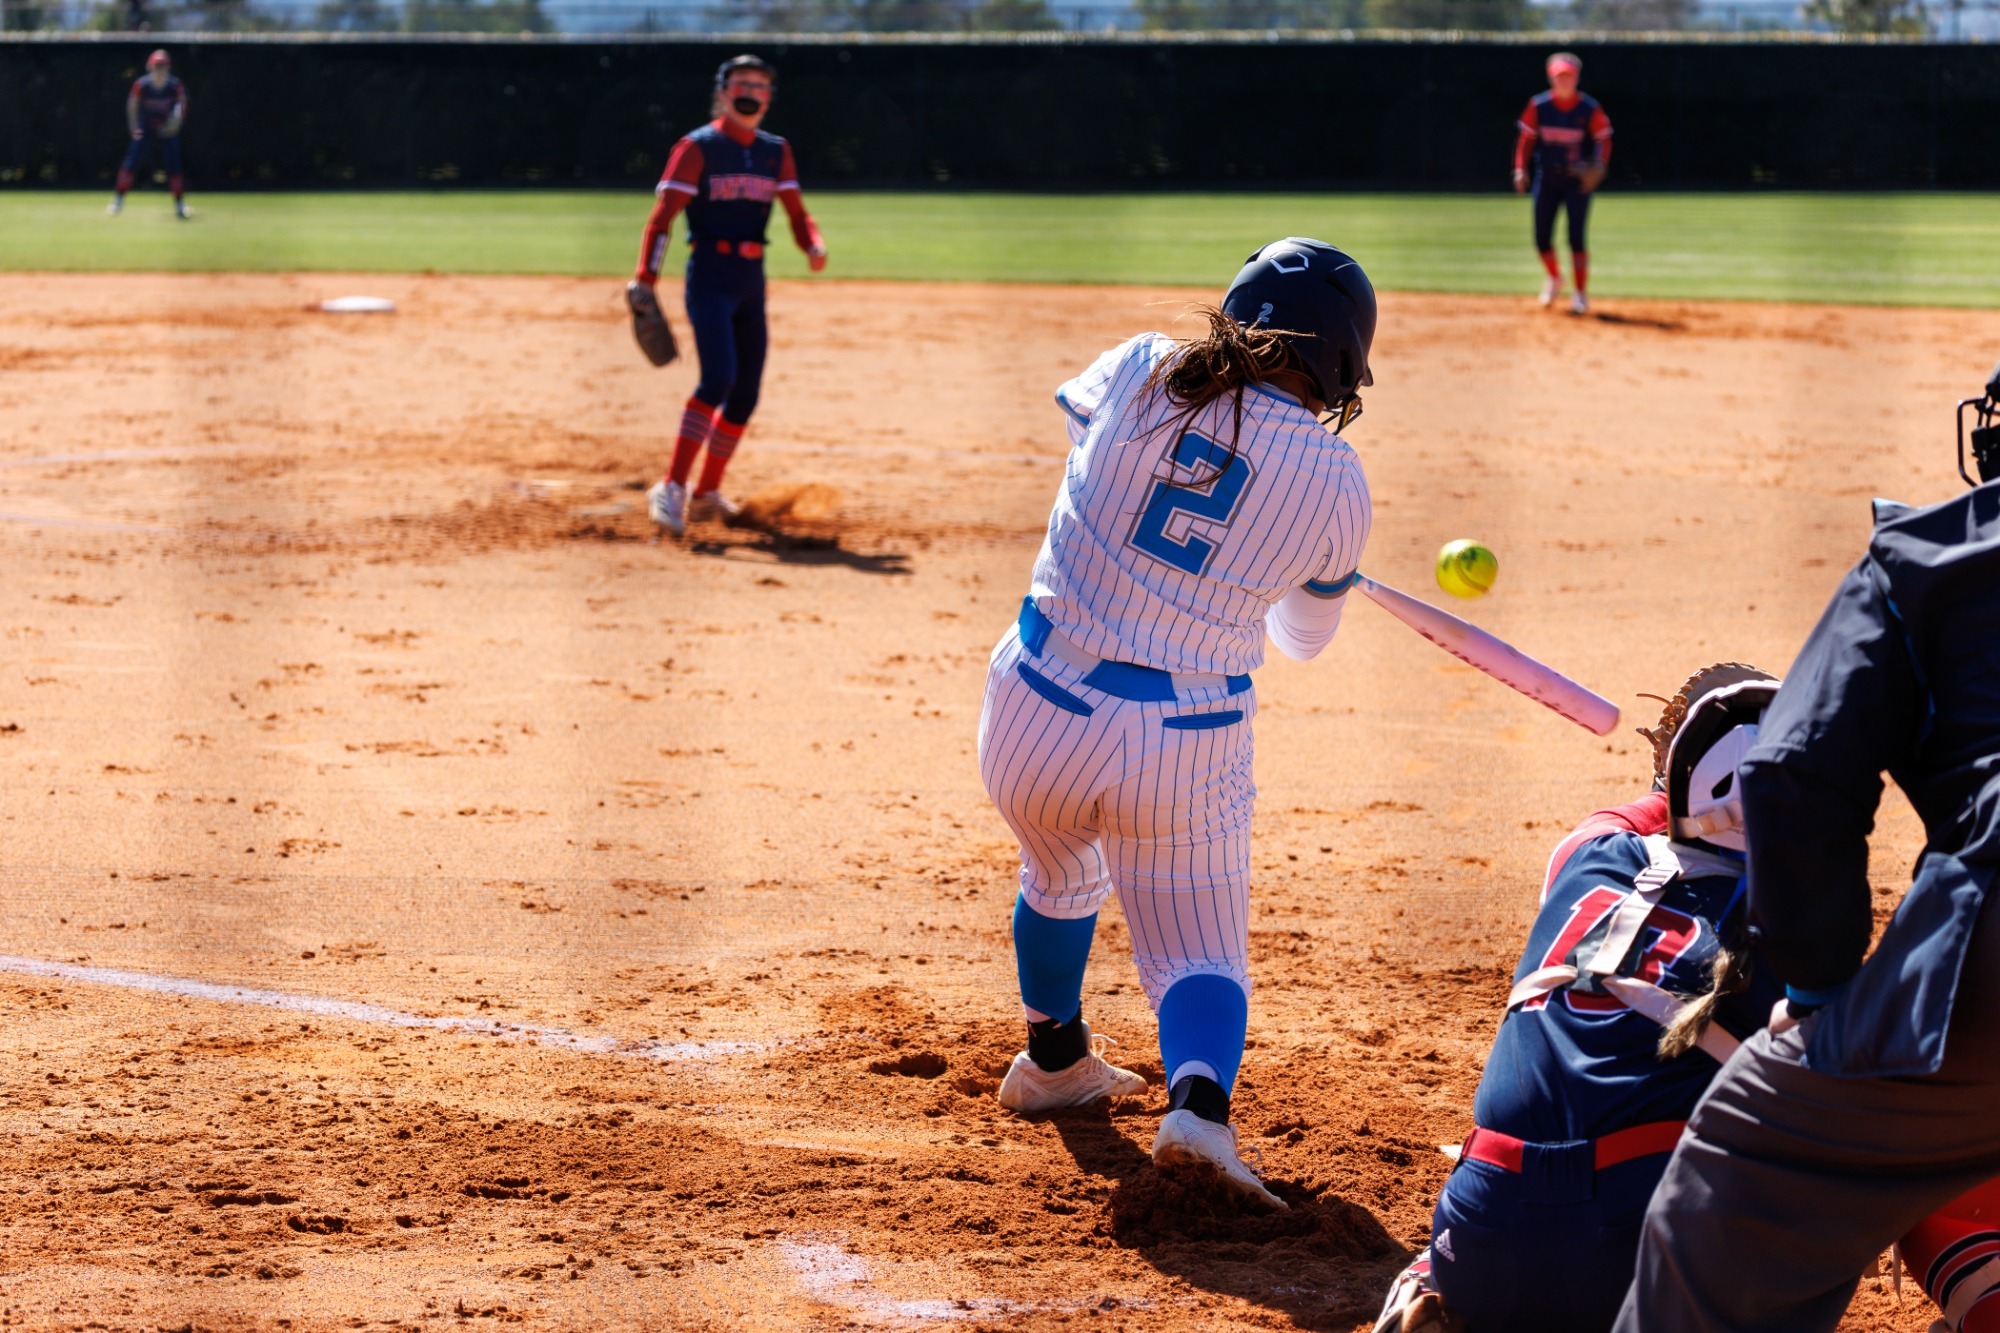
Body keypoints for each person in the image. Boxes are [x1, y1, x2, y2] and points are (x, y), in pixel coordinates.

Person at [978, 238, 1376, 1210]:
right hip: (1181, 739)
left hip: (1030, 713)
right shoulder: (1334, 477)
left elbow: (1086, 449)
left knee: (1058, 870)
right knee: (1195, 949)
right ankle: (1196, 1111)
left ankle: (1054, 1059)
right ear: (1334, 363)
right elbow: (1301, 640)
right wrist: (1319, 564)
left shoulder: (1142, 363)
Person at [1613, 369, 2000, 1333]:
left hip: (1984, 956)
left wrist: (1820, 996)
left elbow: (1790, 774)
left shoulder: (1927, 555)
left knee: (1744, 1167)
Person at [1372, 666, 1787, 1333]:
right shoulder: (1799, 926)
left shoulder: (1589, 855)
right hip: (1637, 1241)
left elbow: (1643, 818)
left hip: (1481, 1229)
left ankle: (1431, 1283)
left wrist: (1684, 768)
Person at [631, 54, 826, 540]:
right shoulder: (697, 148)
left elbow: (797, 213)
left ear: (768, 97)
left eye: (760, 86)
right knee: (717, 379)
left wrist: (811, 245)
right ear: (722, 91)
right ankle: (671, 487)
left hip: (750, 277)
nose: (751, 92)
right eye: (741, 83)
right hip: (710, 276)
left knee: (745, 394)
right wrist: (645, 278)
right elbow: (662, 218)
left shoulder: (774, 150)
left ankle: (706, 493)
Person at [1513, 52, 1611, 316]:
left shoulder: (1588, 108)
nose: (1564, 81)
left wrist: (1599, 164)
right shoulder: (1540, 105)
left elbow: (1604, 138)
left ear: (1576, 77)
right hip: (1547, 177)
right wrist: (1520, 169)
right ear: (1551, 78)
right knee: (1541, 238)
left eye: (1568, 76)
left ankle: (1580, 294)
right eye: (1559, 76)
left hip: (1577, 181)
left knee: (1576, 239)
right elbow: (1526, 139)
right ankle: (1555, 277)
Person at [110, 50, 187, 220]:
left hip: (167, 131)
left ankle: (180, 206)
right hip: (145, 130)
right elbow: (132, 104)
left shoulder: (175, 85)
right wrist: (133, 127)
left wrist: (176, 123)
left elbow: (182, 104)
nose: (159, 69)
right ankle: (118, 201)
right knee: (130, 164)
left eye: (163, 66)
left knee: (174, 167)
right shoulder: (142, 85)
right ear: (150, 66)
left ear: (168, 67)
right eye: (156, 66)